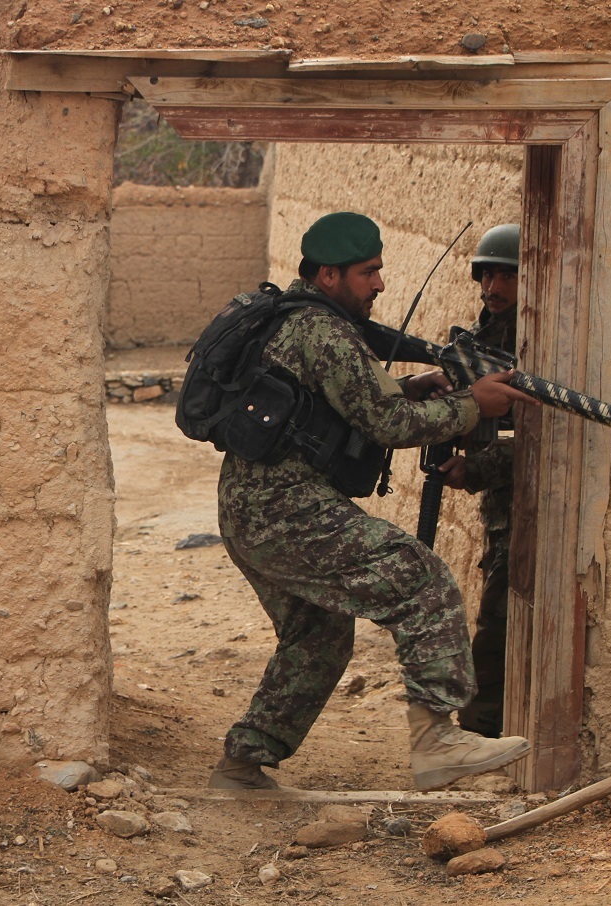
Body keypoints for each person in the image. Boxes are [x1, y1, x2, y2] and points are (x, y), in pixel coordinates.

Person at [209, 212, 534, 792]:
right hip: (285, 510)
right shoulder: (324, 332)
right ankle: (437, 742)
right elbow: (386, 423)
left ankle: (243, 763)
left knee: (319, 637)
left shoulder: (301, 321)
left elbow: (345, 404)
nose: (379, 284)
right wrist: (472, 405)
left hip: (250, 511)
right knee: (422, 580)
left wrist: (411, 387)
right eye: (368, 272)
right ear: (329, 275)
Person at [438, 224, 520, 739]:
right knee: (497, 611)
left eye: (506, 277)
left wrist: (478, 468)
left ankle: (483, 725)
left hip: (533, 500)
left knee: (503, 615)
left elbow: (540, 435)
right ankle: (481, 725)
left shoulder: (535, 343)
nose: (493, 287)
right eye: (486, 276)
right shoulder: (480, 341)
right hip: (503, 507)